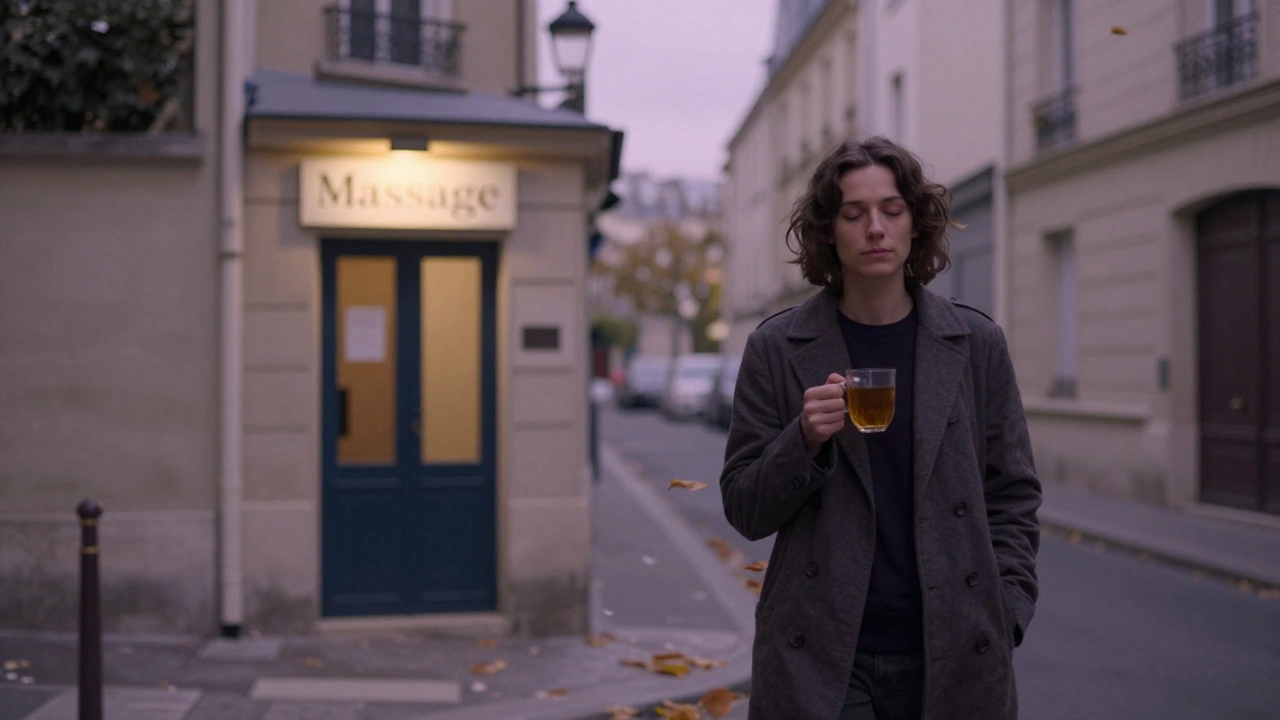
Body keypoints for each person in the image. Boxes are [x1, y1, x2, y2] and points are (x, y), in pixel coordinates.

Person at [720, 136, 1041, 720]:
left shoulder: (975, 344)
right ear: (828, 231)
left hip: (952, 647)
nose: (875, 228)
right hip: (822, 653)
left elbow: (1013, 494)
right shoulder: (776, 346)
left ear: (915, 224)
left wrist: (1006, 608)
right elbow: (743, 507)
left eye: (891, 210)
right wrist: (804, 442)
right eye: (853, 213)